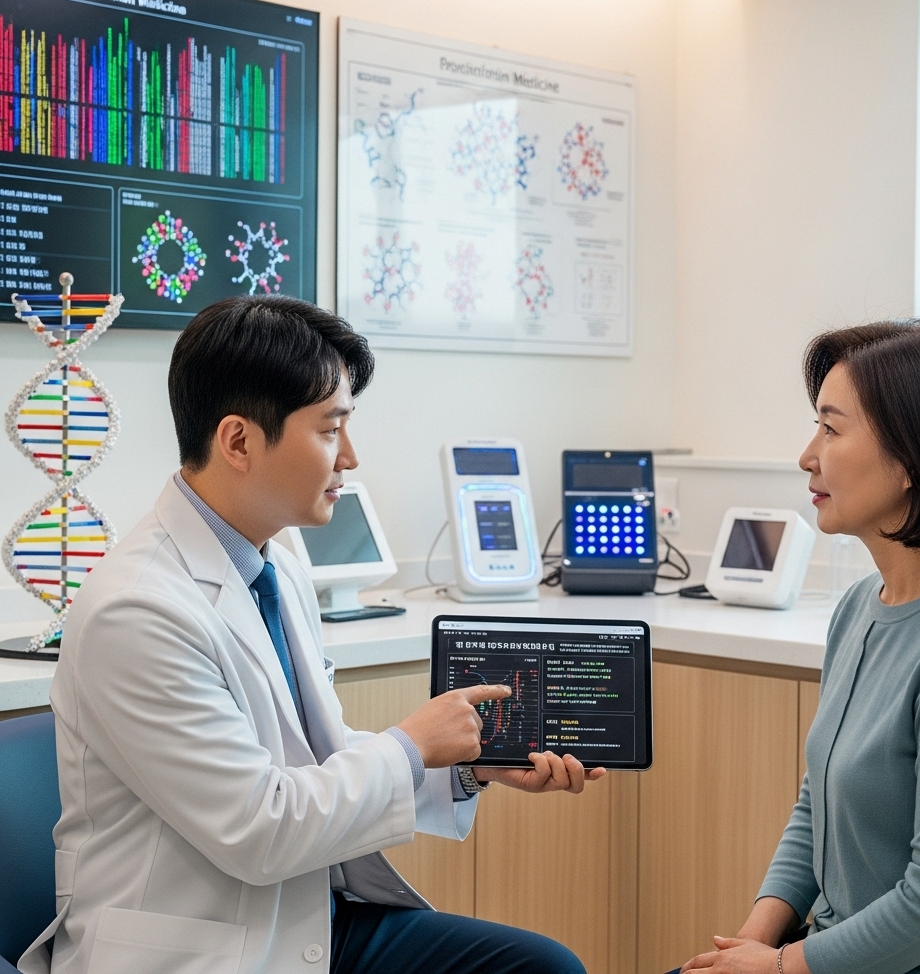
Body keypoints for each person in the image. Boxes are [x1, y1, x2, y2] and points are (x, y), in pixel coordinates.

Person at [20, 295, 604, 974]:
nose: (350, 457)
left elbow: (315, 762)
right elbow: (260, 827)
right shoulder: (138, 609)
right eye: (331, 430)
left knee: (542, 967)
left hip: (301, 916)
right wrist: (411, 746)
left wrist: (465, 768)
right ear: (238, 441)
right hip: (202, 947)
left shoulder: (278, 559)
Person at [682, 319, 920, 974]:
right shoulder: (861, 607)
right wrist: (752, 940)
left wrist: (780, 967)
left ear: (911, 461)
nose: (808, 456)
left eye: (832, 429)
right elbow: (819, 799)